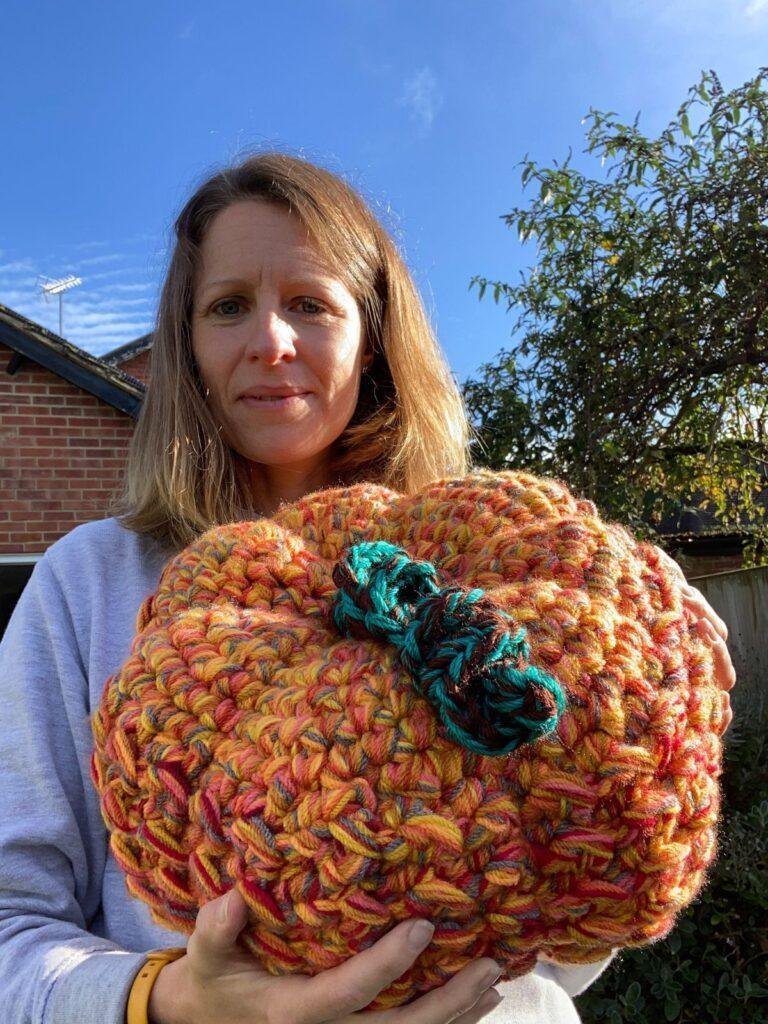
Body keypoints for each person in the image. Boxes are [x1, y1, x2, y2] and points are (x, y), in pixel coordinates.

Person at [0, 152, 735, 1024]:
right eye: (228, 305)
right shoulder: (87, 583)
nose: (269, 340)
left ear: (374, 337)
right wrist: (170, 1002)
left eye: (309, 303)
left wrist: (648, 723)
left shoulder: (506, 562)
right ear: (190, 345)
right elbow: (12, 926)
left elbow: (571, 935)